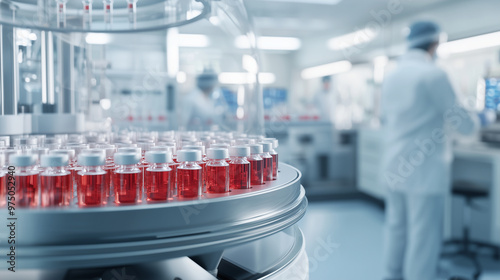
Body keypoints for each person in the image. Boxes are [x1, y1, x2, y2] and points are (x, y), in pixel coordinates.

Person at [381, 21, 478, 280]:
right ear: (435, 43)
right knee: (424, 234)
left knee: (396, 227)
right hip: (423, 169)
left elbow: (385, 118)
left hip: (395, 164)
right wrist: (479, 120)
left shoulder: (391, 76)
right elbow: (463, 124)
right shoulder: (434, 74)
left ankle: (392, 275)